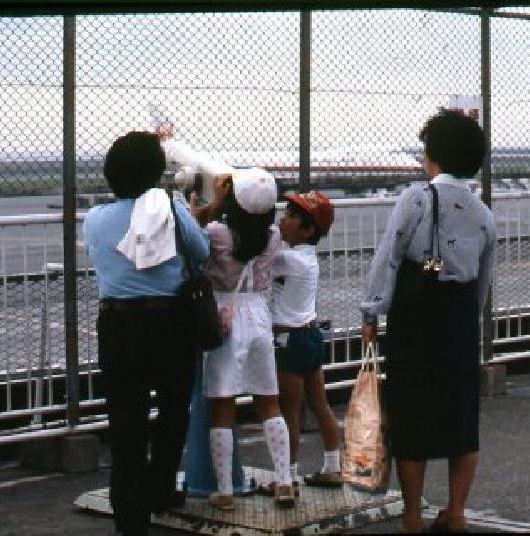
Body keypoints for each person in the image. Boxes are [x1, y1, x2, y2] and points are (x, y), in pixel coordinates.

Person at [360, 111, 496, 533]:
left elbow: (389, 255)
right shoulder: (483, 213)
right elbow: (484, 278)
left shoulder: (416, 199)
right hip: (459, 318)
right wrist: (466, 321)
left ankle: (413, 515)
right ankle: (456, 513)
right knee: (461, 416)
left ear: (432, 155)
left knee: (412, 411)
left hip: (417, 315)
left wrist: (371, 311)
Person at [83, 131, 210, 536]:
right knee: (174, 412)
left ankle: (129, 519)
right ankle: (160, 487)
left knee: (126, 425)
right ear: (156, 172)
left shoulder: (95, 219)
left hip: (117, 325)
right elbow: (201, 251)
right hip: (169, 321)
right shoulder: (170, 208)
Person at [190, 165, 296, 511]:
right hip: (259, 315)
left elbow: (194, 230)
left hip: (225, 315)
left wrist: (214, 199)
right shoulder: (274, 236)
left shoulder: (219, 233)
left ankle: (224, 490)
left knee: (222, 403)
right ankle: (283, 480)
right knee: (269, 400)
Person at [260, 191, 342, 494]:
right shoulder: (306, 257)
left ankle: (288, 474)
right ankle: (333, 467)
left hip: (289, 340)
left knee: (288, 411)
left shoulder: (289, 259)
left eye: (292, 217)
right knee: (320, 404)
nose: (284, 219)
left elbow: (261, 257)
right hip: (310, 335)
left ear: (308, 230)